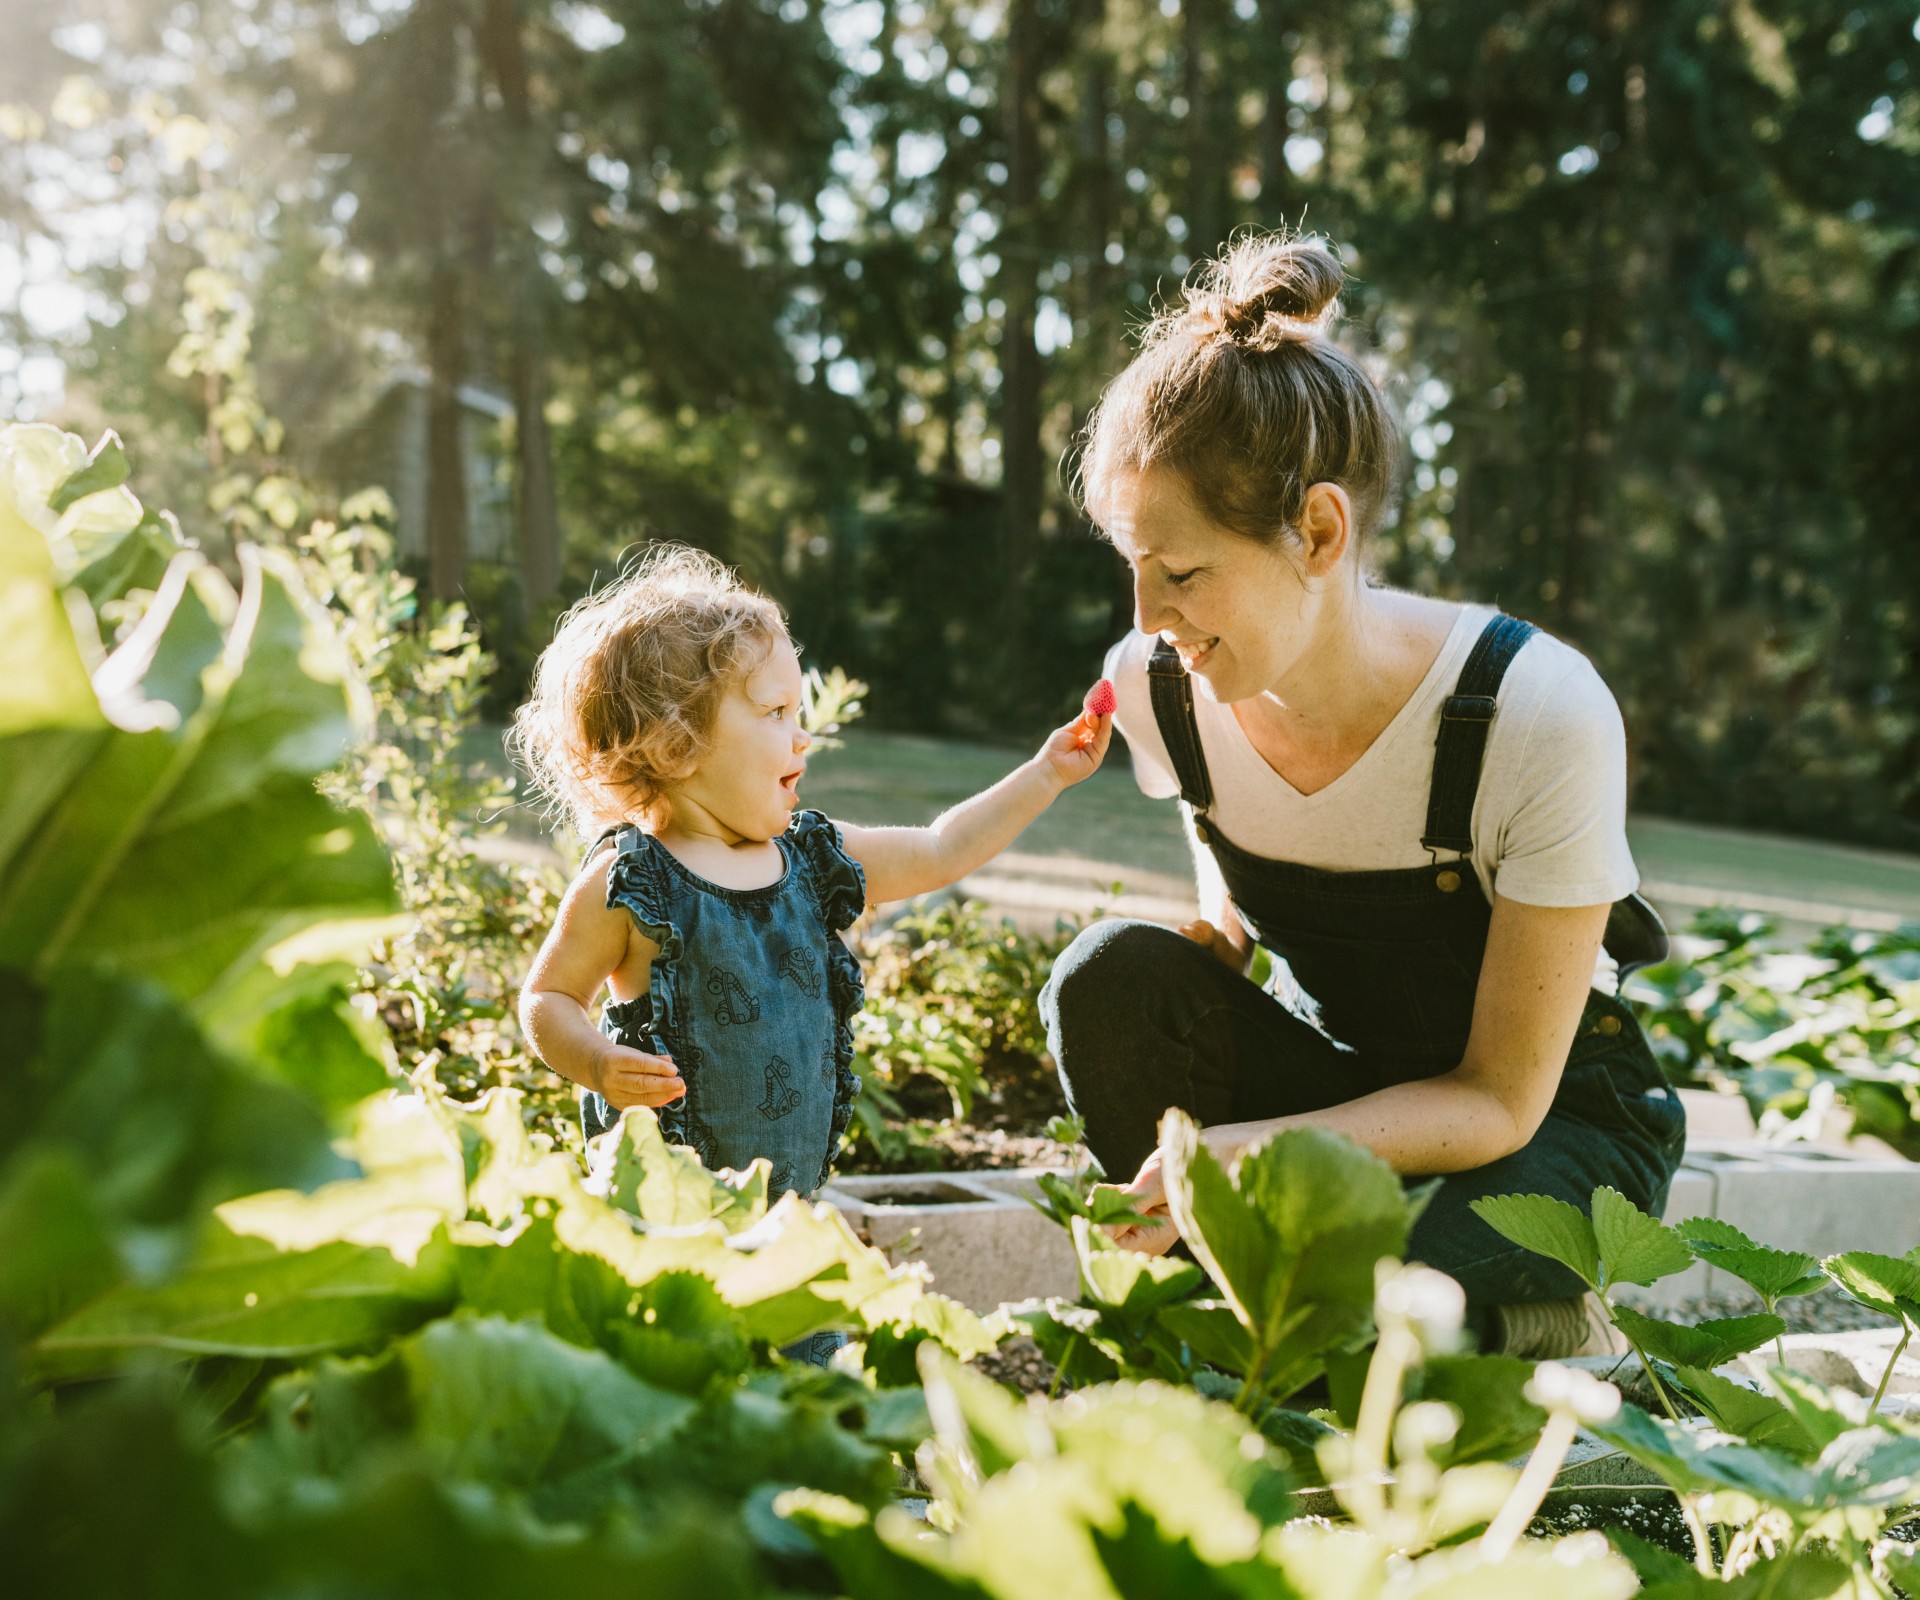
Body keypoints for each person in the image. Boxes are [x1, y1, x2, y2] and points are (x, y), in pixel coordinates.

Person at [1039, 233, 1685, 1357]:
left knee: (1363, 1245)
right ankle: (1280, 1314)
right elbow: (1234, 868)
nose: (1147, 617)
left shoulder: (1535, 712)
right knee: (1107, 977)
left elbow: (1496, 1100)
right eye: (1131, 564)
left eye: (1182, 572)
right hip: (1357, 1091)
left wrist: (1268, 1154)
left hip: (1545, 1136)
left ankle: (1530, 1316)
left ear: (1321, 532)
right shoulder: (1164, 688)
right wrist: (1214, 952)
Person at [513, 544, 1112, 1206]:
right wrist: (596, 1062)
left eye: (800, 714)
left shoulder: (811, 859)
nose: (803, 738)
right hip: (661, 1206)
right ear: (675, 744)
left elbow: (942, 849)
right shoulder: (631, 883)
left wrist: (1047, 773)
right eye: (775, 713)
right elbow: (548, 999)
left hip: (787, 1206)